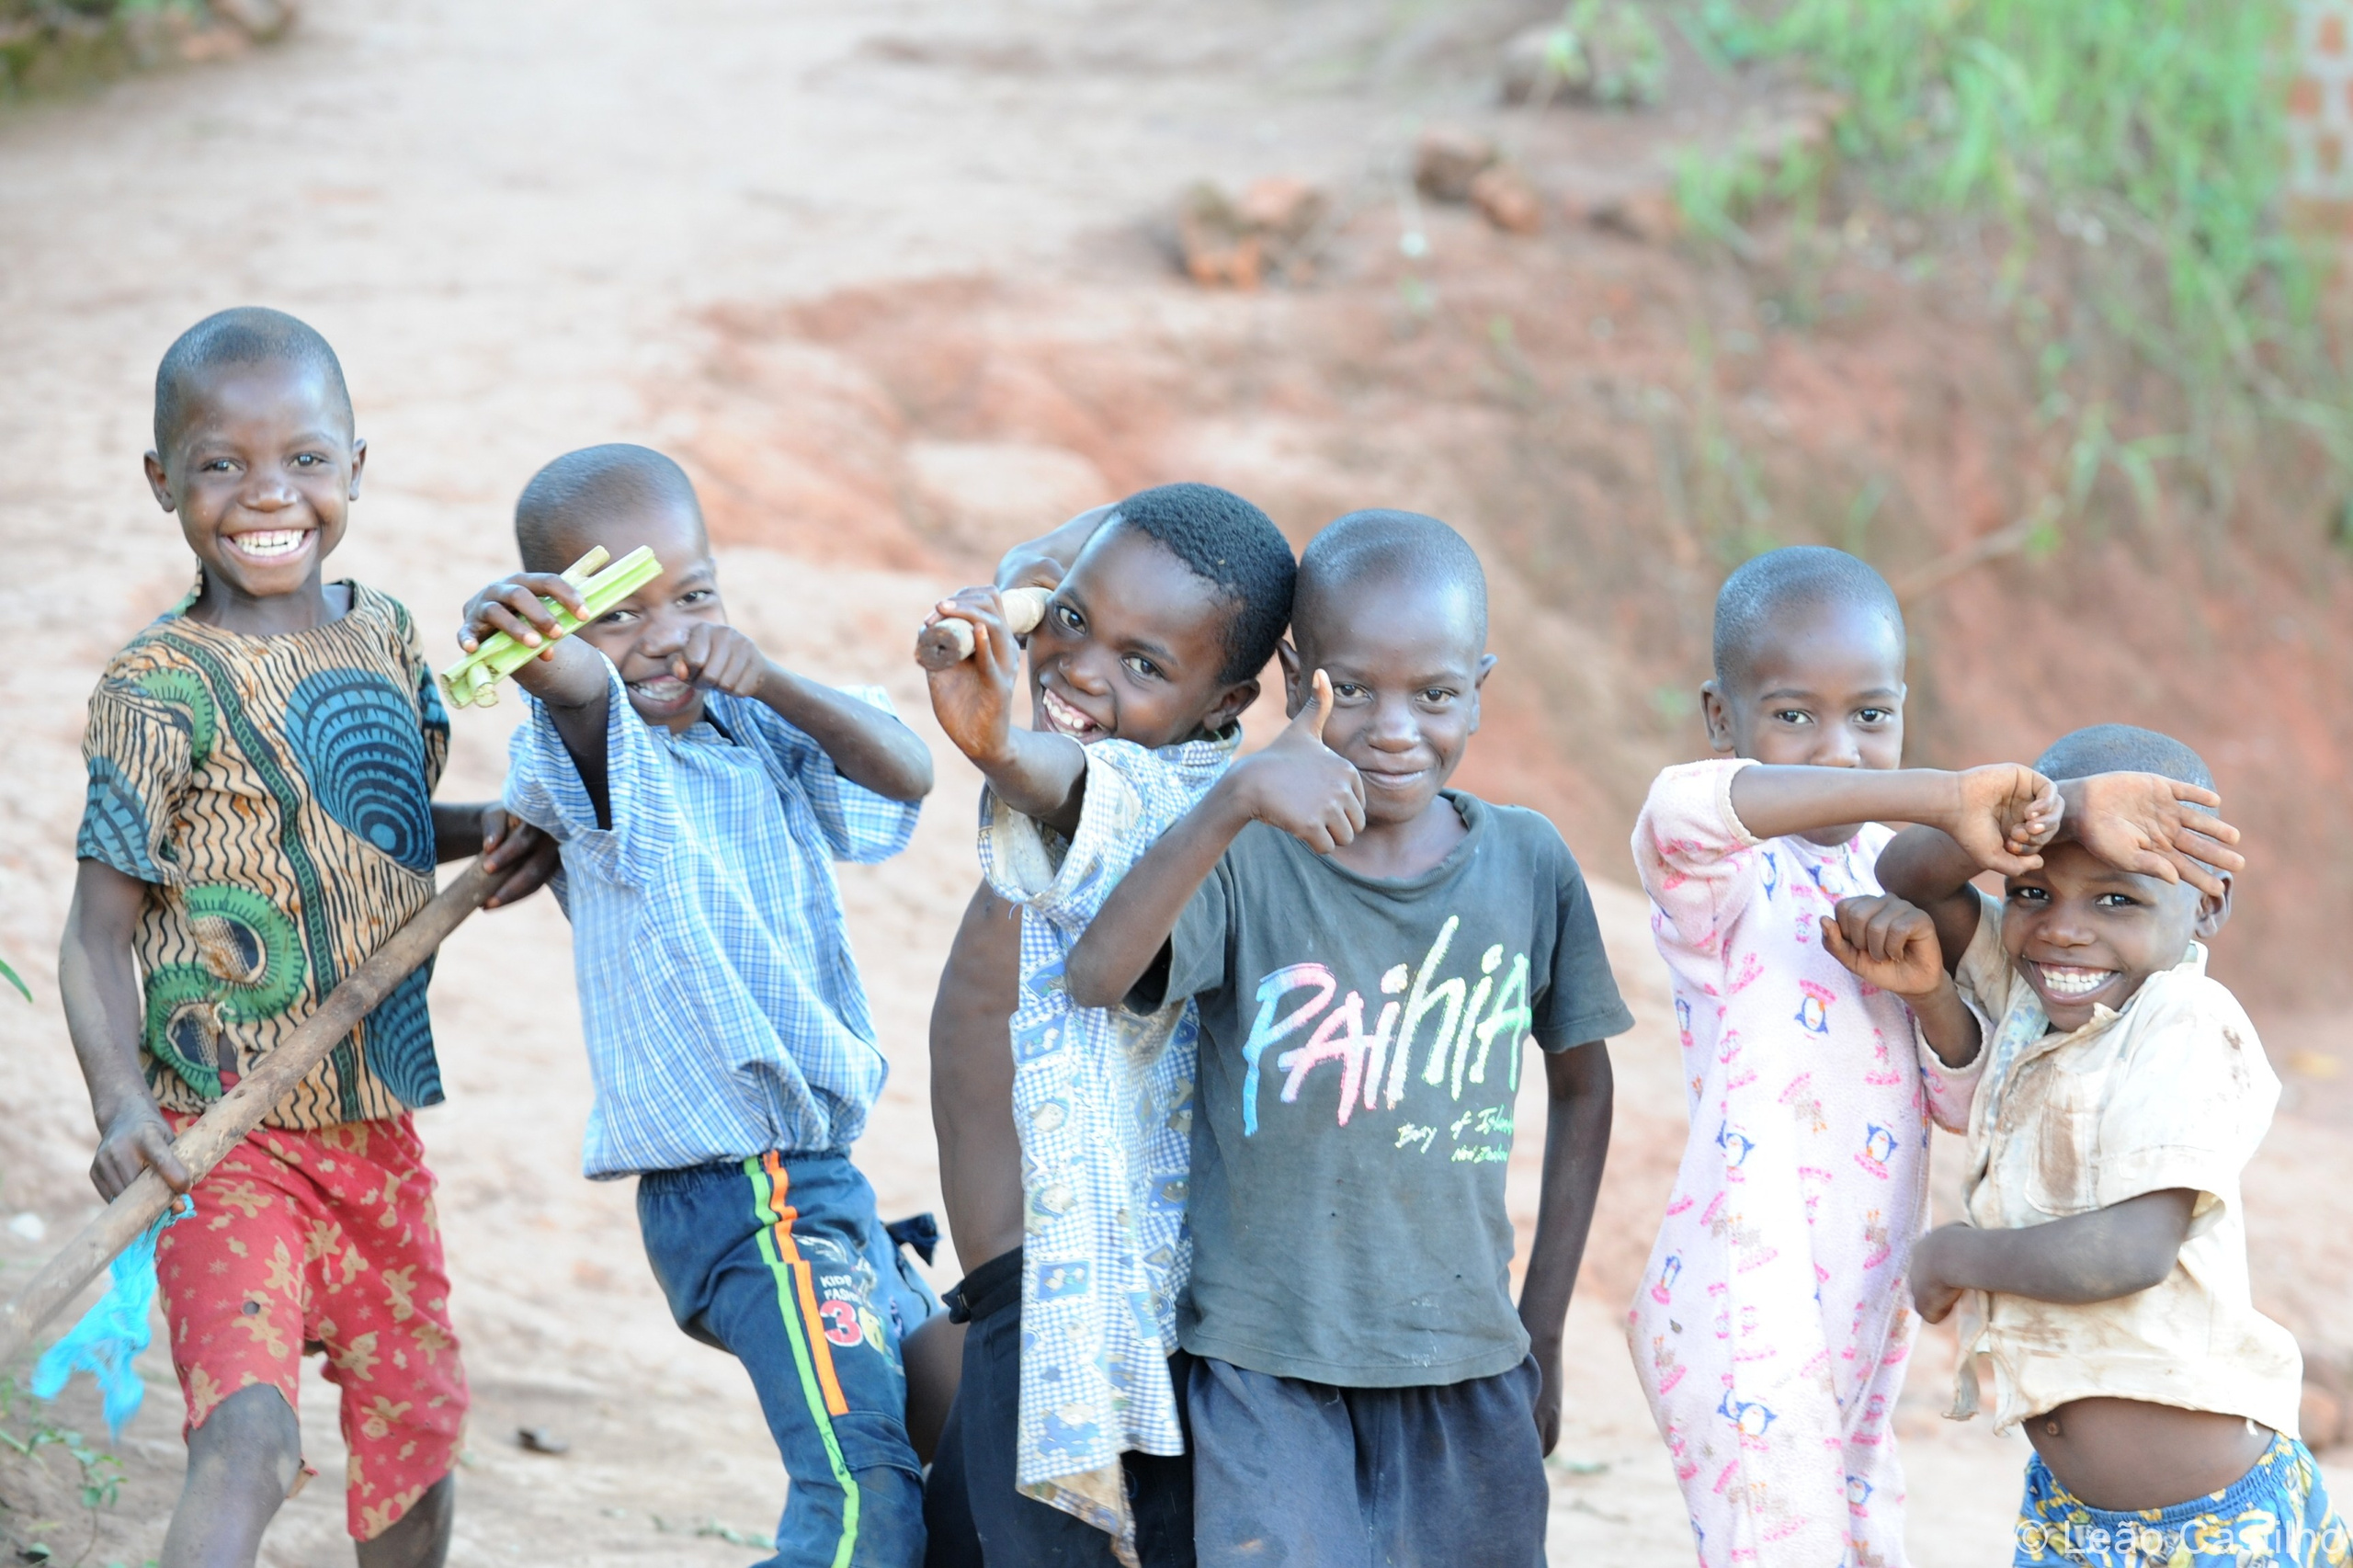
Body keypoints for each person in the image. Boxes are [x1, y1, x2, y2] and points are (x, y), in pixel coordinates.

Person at [56, 307, 558, 1568]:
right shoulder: (154, 687)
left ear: (355, 468)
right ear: (162, 479)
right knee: (252, 1438)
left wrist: (486, 831)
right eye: (221, 463)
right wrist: (123, 1102)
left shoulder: (386, 635)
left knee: (416, 1437)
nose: (267, 494)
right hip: (222, 1137)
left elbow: (374, 819)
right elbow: (94, 931)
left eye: (305, 460)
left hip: (372, 1123)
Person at [1063, 509, 1631, 1567]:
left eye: (1436, 693)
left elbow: (1584, 1087)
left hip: (1464, 1358)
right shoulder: (1251, 857)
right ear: (1293, 676)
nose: (1393, 727)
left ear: (1479, 686)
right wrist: (1231, 799)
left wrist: (1540, 1323)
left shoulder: (1529, 864)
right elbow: (1095, 976)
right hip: (1263, 1364)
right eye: (1352, 687)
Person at [460, 444, 939, 1568]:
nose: (666, 634)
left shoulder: (757, 722)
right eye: (620, 615)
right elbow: (577, 689)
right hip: (746, 1191)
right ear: (561, 633)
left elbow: (908, 772)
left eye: (694, 594)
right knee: (861, 1492)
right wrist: (537, 645)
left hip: (821, 1179)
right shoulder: (602, 756)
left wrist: (767, 676)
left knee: (946, 1421)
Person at [1626, 545, 2063, 1568]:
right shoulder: (1726, 882)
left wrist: (1928, 996)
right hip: (1743, 1298)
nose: (1838, 748)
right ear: (1720, 716)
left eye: (1870, 716)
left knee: (1865, 1536)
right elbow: (1680, 815)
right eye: (1793, 714)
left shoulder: (1895, 872)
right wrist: (1937, 790)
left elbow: (1962, 1098)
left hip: (1865, 1303)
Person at [1845, 725, 2347, 1568]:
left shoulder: (2184, 1021)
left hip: (2212, 1526)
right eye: (2035, 894)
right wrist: (2060, 810)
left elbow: (2134, 1249)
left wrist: (1957, 1256)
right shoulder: (2035, 992)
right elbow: (1903, 876)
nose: (2063, 932)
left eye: (2118, 900)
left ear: (2209, 904)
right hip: (2070, 1516)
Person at [920, 483, 1295, 1564]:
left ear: (1225, 703)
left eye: (1145, 665)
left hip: (1066, 1312)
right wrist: (1029, 576)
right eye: (1074, 624)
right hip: (1015, 1292)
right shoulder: (1133, 757)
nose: (1083, 672)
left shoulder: (1161, 802)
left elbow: (1063, 778)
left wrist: (997, 747)